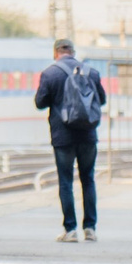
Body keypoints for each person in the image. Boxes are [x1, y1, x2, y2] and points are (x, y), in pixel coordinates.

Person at [34, 39, 105, 242]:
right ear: (73, 52)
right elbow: (101, 99)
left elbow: (40, 103)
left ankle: (70, 229)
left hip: (63, 136)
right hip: (88, 134)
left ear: (56, 53)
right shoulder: (91, 72)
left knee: (66, 182)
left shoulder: (50, 73)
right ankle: (90, 228)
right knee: (88, 179)